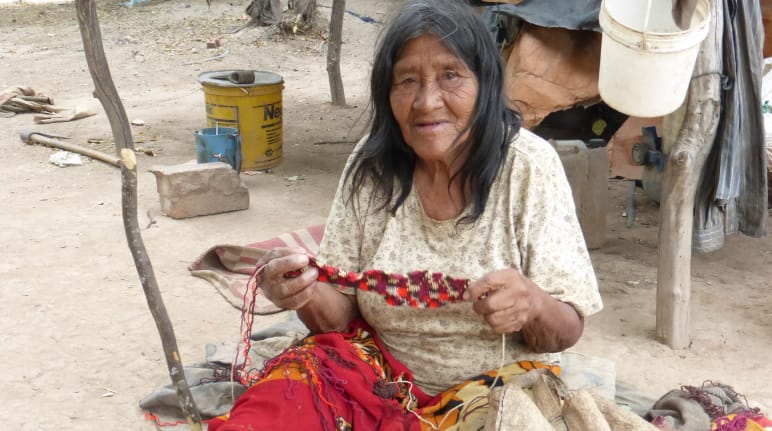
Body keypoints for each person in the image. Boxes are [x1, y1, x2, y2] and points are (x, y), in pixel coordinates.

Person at [208, 0, 602, 429]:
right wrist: (302, 293)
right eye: (407, 80)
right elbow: (338, 314)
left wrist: (533, 304)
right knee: (268, 415)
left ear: (485, 85)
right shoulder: (372, 166)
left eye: (450, 76)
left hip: (497, 391)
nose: (427, 102)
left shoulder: (529, 167)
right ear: (387, 92)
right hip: (378, 374)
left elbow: (565, 329)